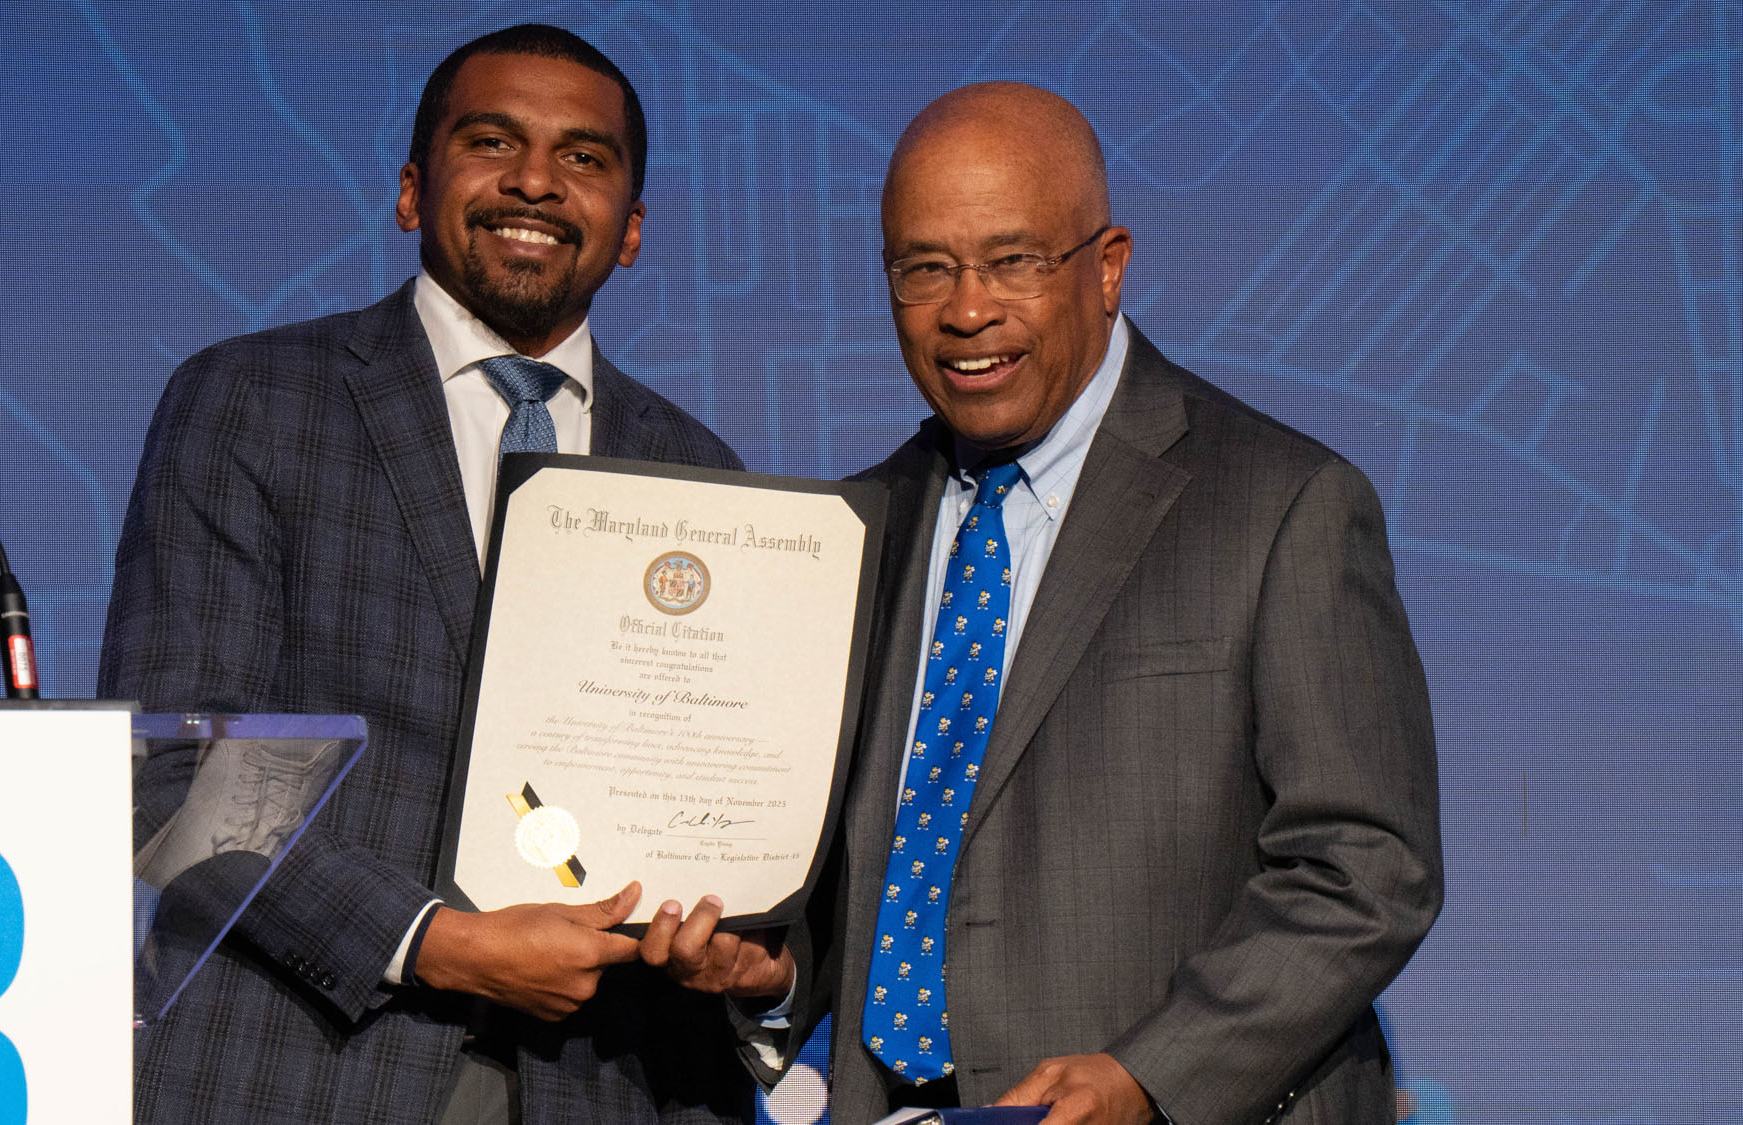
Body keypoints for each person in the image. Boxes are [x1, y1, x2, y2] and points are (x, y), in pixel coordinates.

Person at [646, 82, 1442, 1125]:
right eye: (922, 268)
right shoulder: (852, 529)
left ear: (1106, 266)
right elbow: (866, 888)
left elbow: (1365, 867)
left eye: (1013, 260)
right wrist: (778, 978)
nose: (966, 309)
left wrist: (1151, 1077)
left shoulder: (1279, 504)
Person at [99, 25, 752, 1125]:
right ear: (412, 191)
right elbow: (166, 768)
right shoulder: (252, 402)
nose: (535, 179)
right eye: (490, 141)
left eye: (583, 157)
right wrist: (430, 943)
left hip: (617, 1082)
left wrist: (746, 940)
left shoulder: (705, 477)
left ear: (631, 230)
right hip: (303, 1072)